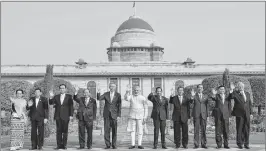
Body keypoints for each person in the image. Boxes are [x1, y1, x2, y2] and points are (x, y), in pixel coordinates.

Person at [97, 83, 122, 149]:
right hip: (107, 114)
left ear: (115, 87)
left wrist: (119, 115)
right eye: (111, 86)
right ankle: (107, 145)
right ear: (109, 87)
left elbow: (119, 105)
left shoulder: (118, 95)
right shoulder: (106, 94)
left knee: (114, 130)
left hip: (114, 114)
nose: (112, 87)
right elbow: (99, 98)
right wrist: (98, 91)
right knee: (106, 130)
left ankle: (114, 144)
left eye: (113, 86)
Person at [49, 84, 74, 150]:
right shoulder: (56, 96)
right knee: (58, 131)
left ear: (65, 89)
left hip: (66, 116)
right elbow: (51, 103)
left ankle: (64, 145)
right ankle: (59, 145)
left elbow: (71, 106)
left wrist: (71, 115)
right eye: (60, 88)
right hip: (58, 116)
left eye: (63, 88)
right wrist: (51, 97)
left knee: (65, 131)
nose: (62, 89)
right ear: (59, 89)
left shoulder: (69, 96)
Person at [229, 82, 253, 149]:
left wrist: (251, 113)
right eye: (239, 86)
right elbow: (231, 97)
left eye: (242, 86)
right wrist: (231, 90)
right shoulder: (235, 93)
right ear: (237, 87)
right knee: (239, 129)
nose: (241, 87)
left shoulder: (247, 94)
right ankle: (240, 143)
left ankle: (246, 144)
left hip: (247, 114)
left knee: (246, 129)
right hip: (239, 114)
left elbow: (250, 104)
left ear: (243, 86)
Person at [190, 84, 210, 149]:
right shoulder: (194, 96)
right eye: (199, 87)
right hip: (196, 115)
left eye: (201, 87)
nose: (200, 89)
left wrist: (208, 115)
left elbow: (207, 106)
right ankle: (196, 144)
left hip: (204, 115)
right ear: (197, 89)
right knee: (196, 130)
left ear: (203, 89)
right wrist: (192, 97)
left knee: (204, 130)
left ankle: (204, 144)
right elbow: (190, 103)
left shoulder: (206, 96)